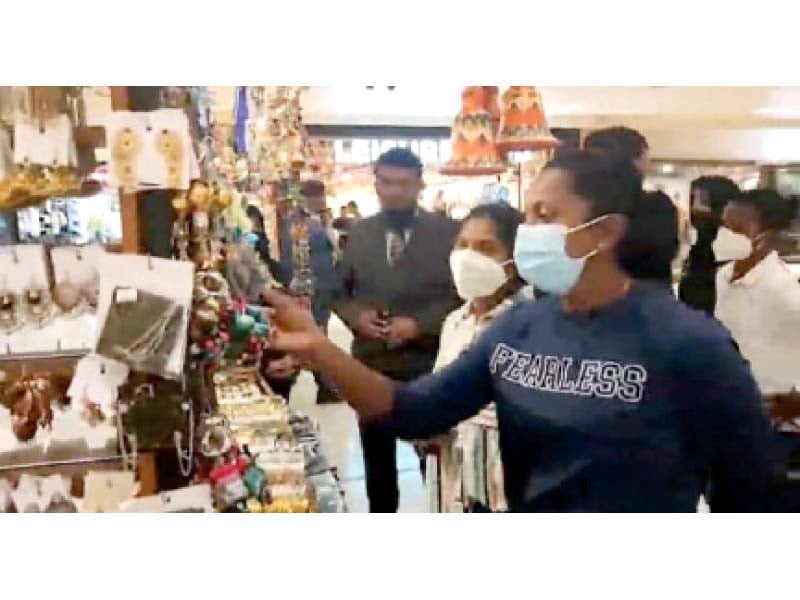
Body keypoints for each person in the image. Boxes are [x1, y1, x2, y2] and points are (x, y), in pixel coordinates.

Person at [267, 150, 779, 512]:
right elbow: (414, 410)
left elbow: (751, 490)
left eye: (545, 215)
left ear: (604, 232)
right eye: (529, 214)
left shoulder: (688, 343)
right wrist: (319, 349)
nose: (530, 230)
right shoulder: (519, 328)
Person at [333, 147, 460, 512]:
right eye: (386, 183)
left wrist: (419, 325)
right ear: (376, 184)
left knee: (434, 463)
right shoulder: (360, 234)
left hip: (429, 366)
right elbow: (338, 292)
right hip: (371, 365)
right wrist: (357, 317)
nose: (394, 192)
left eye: (404, 184)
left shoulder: (448, 233)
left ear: (420, 184)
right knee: (377, 465)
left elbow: (464, 297)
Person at [426, 202, 529, 513]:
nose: (469, 257)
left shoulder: (528, 324)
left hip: (502, 492)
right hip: (454, 482)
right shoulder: (456, 322)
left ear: (512, 260)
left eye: (486, 248)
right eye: (462, 245)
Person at [714, 189, 800, 418]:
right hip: (731, 406)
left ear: (764, 236)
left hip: (773, 420)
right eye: (724, 226)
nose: (724, 236)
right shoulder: (723, 277)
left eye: (736, 230)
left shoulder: (784, 291)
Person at [584, 126, 679, 286]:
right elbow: (662, 254)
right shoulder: (655, 206)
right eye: (646, 157)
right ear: (636, 160)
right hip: (647, 302)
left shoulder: (576, 205)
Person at [276, 180, 339, 404]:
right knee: (314, 338)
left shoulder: (315, 219)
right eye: (320, 196)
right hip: (311, 291)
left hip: (321, 289)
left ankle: (325, 384)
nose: (323, 200)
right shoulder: (299, 223)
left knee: (317, 337)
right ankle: (324, 385)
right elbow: (298, 260)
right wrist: (303, 293)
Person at [678, 176, 741, 314]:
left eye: (701, 201)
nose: (694, 208)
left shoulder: (734, 247)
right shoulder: (702, 243)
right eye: (692, 200)